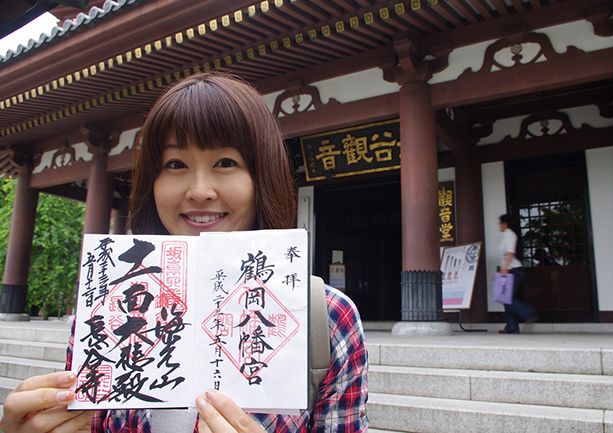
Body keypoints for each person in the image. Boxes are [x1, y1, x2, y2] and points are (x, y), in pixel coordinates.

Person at [0, 72, 369, 433]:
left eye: (226, 162)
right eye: (176, 164)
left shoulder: (328, 316)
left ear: (263, 178)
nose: (199, 190)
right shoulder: (109, 305)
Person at [497, 214, 538, 334]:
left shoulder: (510, 235)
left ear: (505, 224)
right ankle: (512, 326)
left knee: (506, 298)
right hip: (509, 269)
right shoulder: (506, 235)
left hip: (513, 269)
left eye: (500, 223)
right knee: (506, 298)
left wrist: (505, 268)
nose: (499, 226)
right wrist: (501, 269)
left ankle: (528, 313)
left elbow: (510, 253)